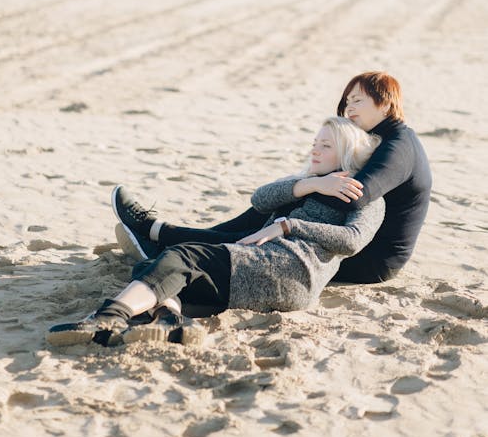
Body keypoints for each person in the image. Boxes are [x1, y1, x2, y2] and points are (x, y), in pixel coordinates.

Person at [47, 117, 385, 347]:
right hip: (260, 269)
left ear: (345, 152)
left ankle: (108, 317)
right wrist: (309, 184)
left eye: (325, 146)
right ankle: (172, 323)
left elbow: (353, 241)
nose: (314, 150)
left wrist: (289, 225)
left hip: (292, 269)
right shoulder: (305, 183)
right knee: (160, 269)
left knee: (185, 256)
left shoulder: (364, 193)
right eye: (314, 142)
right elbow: (260, 198)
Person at [112, 71, 432, 285]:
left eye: (357, 101)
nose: (348, 109)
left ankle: (161, 236)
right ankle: (167, 236)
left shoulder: (398, 147)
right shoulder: (385, 137)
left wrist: (305, 190)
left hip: (372, 260)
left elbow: (358, 194)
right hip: (357, 242)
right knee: (276, 206)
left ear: (386, 102)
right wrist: (306, 185)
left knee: (277, 213)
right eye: (346, 102)